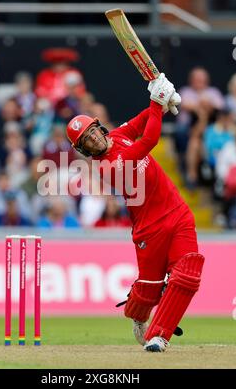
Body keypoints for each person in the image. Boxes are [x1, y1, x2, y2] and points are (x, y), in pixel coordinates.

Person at [66, 73, 204, 353]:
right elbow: (150, 139)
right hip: (149, 229)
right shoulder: (108, 168)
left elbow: (142, 122)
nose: (94, 139)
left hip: (177, 213)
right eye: (87, 140)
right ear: (84, 150)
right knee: (149, 289)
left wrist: (162, 99)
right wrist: (157, 102)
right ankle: (138, 315)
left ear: (99, 127)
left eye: (93, 131)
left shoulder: (117, 136)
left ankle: (159, 336)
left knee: (188, 273)